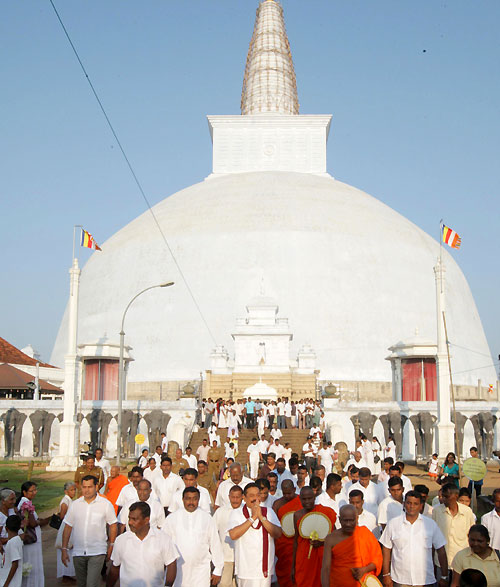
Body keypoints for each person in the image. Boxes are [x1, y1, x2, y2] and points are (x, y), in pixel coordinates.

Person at [380, 490, 448, 587]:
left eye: (415, 504)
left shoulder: (430, 524)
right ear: (404, 504)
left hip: (424, 580)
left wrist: (444, 576)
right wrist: (386, 574)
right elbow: (386, 549)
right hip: (400, 579)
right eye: (409, 503)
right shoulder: (393, 524)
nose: (411, 506)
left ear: (421, 506)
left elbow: (441, 550)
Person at [62, 475, 117, 587]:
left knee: (92, 584)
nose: (86, 490)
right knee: (81, 584)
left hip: (97, 551)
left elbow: (113, 524)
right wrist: (64, 549)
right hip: (78, 551)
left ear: (96, 487)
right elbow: (67, 527)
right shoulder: (75, 505)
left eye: (90, 487)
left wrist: (111, 545)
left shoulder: (105, 504)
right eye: (84, 487)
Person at [162, 487, 223, 586]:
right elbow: (164, 544)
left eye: (194, 499)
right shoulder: (171, 518)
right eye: (188, 499)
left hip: (201, 572)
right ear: (183, 499)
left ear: (199, 500)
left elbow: (215, 544)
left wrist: (218, 569)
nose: (191, 502)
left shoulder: (207, 518)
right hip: (178, 571)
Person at [108, 501, 178, 587]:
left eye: (134, 519)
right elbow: (114, 569)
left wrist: (167, 585)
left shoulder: (163, 539)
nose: (130, 522)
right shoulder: (121, 540)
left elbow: (171, 564)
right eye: (129, 518)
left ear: (146, 520)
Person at [228, 482, 282, 586]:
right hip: (245, 569)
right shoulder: (237, 513)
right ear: (244, 498)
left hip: (264, 569)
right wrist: (253, 518)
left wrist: (261, 517)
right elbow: (233, 535)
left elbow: (278, 533)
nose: (255, 498)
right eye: (252, 495)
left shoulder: (268, 511)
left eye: (258, 495)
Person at [321, 504, 382, 587]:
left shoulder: (365, 533)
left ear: (357, 519)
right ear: (340, 519)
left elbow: (377, 559)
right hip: (338, 583)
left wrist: (364, 570)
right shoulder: (331, 538)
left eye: (351, 520)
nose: (348, 524)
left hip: (362, 583)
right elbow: (326, 568)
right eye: (345, 520)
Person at [292, 486, 337, 587]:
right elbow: (296, 541)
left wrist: (322, 542)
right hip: (304, 559)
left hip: (321, 557)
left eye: (310, 498)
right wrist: (293, 567)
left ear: (314, 498)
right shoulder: (297, 515)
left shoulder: (325, 512)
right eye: (304, 499)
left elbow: (335, 537)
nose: (307, 501)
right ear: (300, 499)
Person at [433, 482, 476, 575]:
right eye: (443, 496)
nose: (444, 499)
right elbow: (433, 537)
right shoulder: (437, 511)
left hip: (462, 562)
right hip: (441, 562)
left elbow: (472, 534)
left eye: (447, 497)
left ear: (456, 496)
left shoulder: (467, 512)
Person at [272, 480, 302, 587]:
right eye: (284, 493)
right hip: (283, 544)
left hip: (299, 541)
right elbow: (274, 524)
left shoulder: (301, 500)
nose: (287, 496)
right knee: (286, 572)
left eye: (289, 493)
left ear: (294, 489)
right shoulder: (277, 504)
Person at [18, 481, 48, 587]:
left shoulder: (24, 502)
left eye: (35, 490)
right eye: (32, 491)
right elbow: (32, 523)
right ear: (24, 492)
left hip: (33, 539)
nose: (35, 492)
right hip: (31, 540)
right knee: (32, 563)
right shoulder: (25, 504)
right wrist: (41, 521)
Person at [214, 485, 243, 587]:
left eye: (237, 497)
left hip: (243, 557)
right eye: (232, 497)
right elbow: (213, 532)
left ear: (242, 497)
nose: (235, 500)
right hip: (225, 556)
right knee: (224, 584)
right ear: (229, 497)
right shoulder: (220, 511)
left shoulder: (247, 511)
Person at [55, 481, 77, 581]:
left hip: (71, 526)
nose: (74, 492)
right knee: (67, 548)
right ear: (66, 491)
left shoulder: (70, 500)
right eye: (71, 490)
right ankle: (65, 574)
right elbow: (63, 516)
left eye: (74, 490)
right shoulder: (65, 501)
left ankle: (69, 573)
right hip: (66, 527)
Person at [0, 516, 23, 587]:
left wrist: (6, 584)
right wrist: (2, 552)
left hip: (11, 583)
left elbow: (15, 564)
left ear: (6, 528)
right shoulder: (17, 540)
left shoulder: (12, 542)